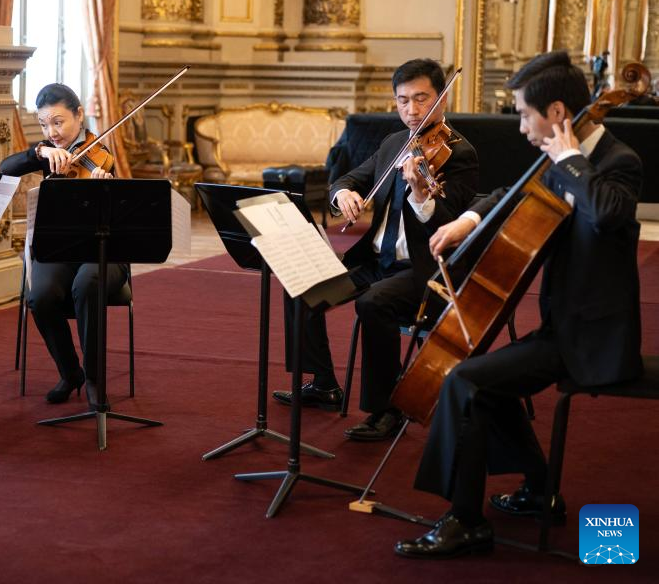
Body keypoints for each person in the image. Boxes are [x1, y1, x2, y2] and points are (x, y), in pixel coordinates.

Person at [395, 50, 643, 559]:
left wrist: (570, 162)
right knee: (487, 377)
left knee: (465, 379)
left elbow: (609, 213)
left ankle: (465, 521)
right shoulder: (557, 159)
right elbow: (511, 193)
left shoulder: (616, 162)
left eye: (525, 114)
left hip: (593, 339)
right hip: (561, 327)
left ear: (555, 114)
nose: (522, 128)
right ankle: (538, 490)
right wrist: (468, 220)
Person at [271, 59, 479, 442]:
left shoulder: (459, 154)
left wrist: (420, 195)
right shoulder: (393, 144)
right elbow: (349, 178)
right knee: (300, 282)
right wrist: (343, 193)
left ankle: (387, 409)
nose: (412, 111)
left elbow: (449, 225)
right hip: (376, 261)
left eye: (421, 99)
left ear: (442, 97)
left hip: (424, 270)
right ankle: (324, 384)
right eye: (403, 101)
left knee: (374, 303)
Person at [0, 83, 123, 407]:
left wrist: (105, 193)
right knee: (39, 297)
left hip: (103, 252)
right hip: (59, 250)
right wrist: (39, 151)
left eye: (58, 122)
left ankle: (95, 378)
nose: (52, 131)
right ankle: (71, 373)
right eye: (44, 124)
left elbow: (125, 217)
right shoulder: (49, 155)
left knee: (87, 283)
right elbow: (5, 168)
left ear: (79, 114)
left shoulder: (103, 157)